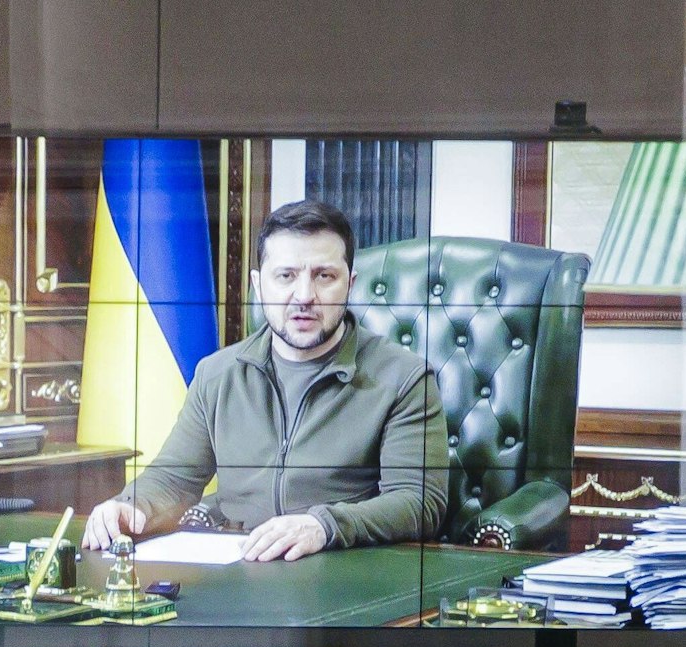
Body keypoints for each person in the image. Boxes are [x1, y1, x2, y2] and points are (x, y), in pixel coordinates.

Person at [82, 199, 447, 562]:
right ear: (259, 284)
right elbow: (172, 481)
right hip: (241, 570)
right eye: (286, 276)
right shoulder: (218, 374)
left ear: (350, 284)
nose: (304, 296)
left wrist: (323, 525)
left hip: (343, 569)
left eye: (325, 276)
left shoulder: (405, 378)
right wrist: (128, 506)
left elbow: (419, 503)